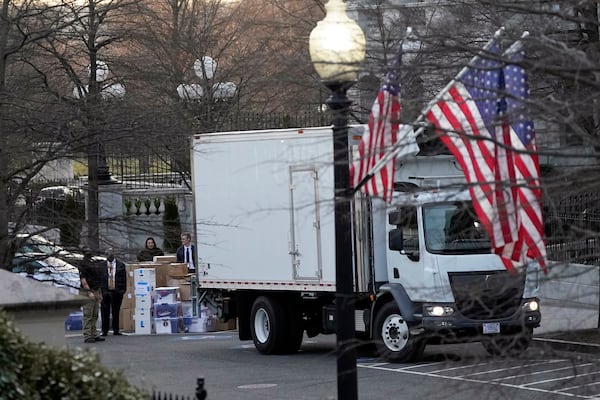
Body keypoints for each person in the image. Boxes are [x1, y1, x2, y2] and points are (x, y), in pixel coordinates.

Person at [79, 250, 105, 344]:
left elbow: (98, 279)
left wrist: (100, 293)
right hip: (87, 291)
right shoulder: (82, 264)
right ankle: (87, 335)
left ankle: (94, 334)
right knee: (88, 314)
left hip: (96, 289)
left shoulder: (94, 263)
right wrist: (89, 292)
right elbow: (83, 280)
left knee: (95, 314)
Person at [100, 249, 127, 336]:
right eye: (108, 254)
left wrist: (122, 290)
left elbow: (124, 279)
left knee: (116, 310)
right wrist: (102, 290)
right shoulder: (101, 265)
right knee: (105, 311)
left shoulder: (121, 265)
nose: (110, 256)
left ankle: (116, 329)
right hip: (105, 290)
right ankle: (104, 330)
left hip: (117, 290)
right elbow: (100, 279)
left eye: (111, 254)